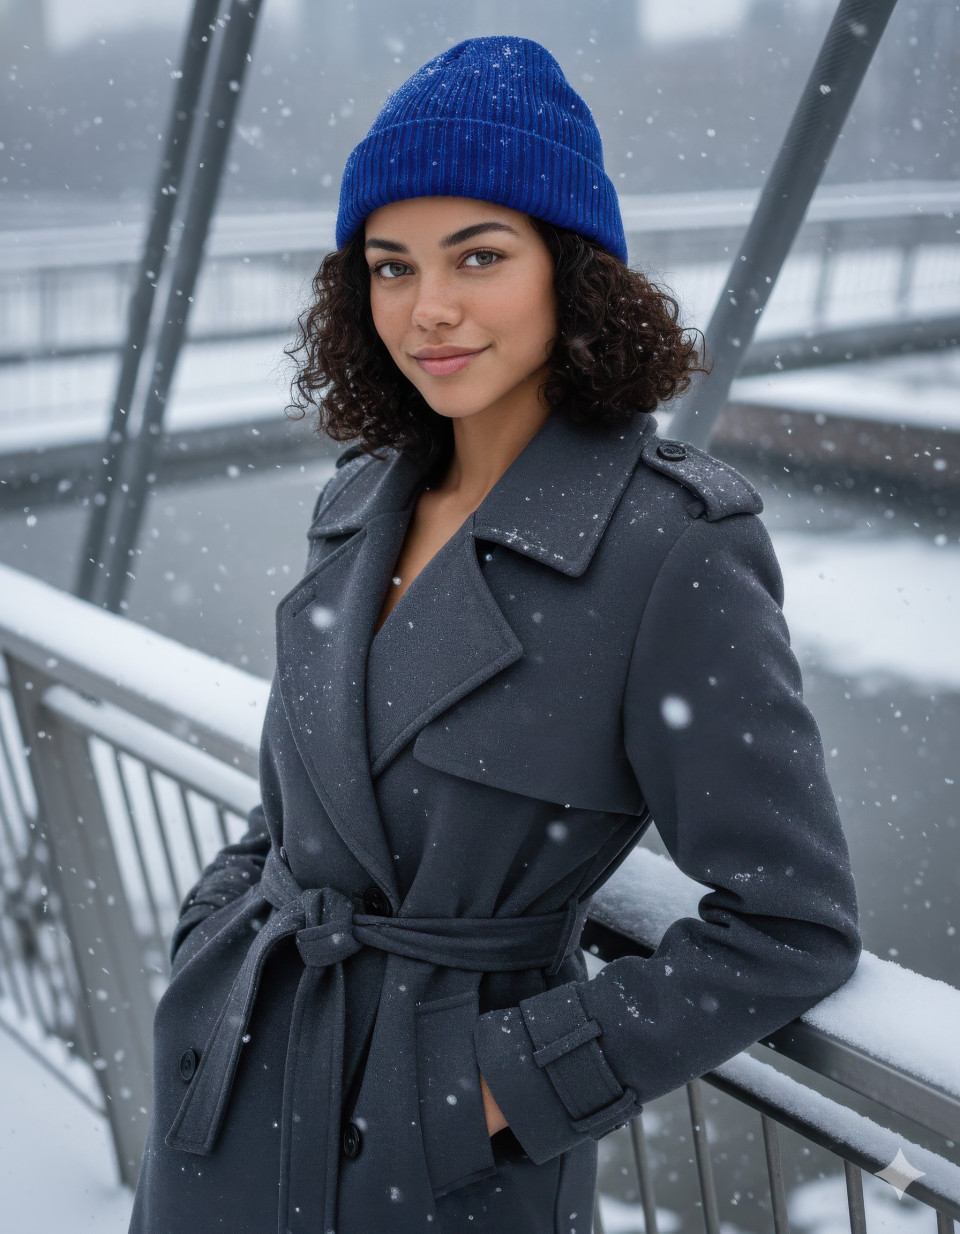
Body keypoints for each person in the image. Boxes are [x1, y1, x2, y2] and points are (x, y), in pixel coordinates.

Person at [128, 35, 861, 1234]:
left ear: (571, 272)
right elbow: (296, 809)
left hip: (429, 1169)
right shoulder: (356, 503)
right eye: (391, 265)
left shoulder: (668, 546)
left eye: (480, 255)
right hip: (231, 1094)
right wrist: (214, 935)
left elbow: (790, 924)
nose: (432, 310)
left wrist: (494, 1087)